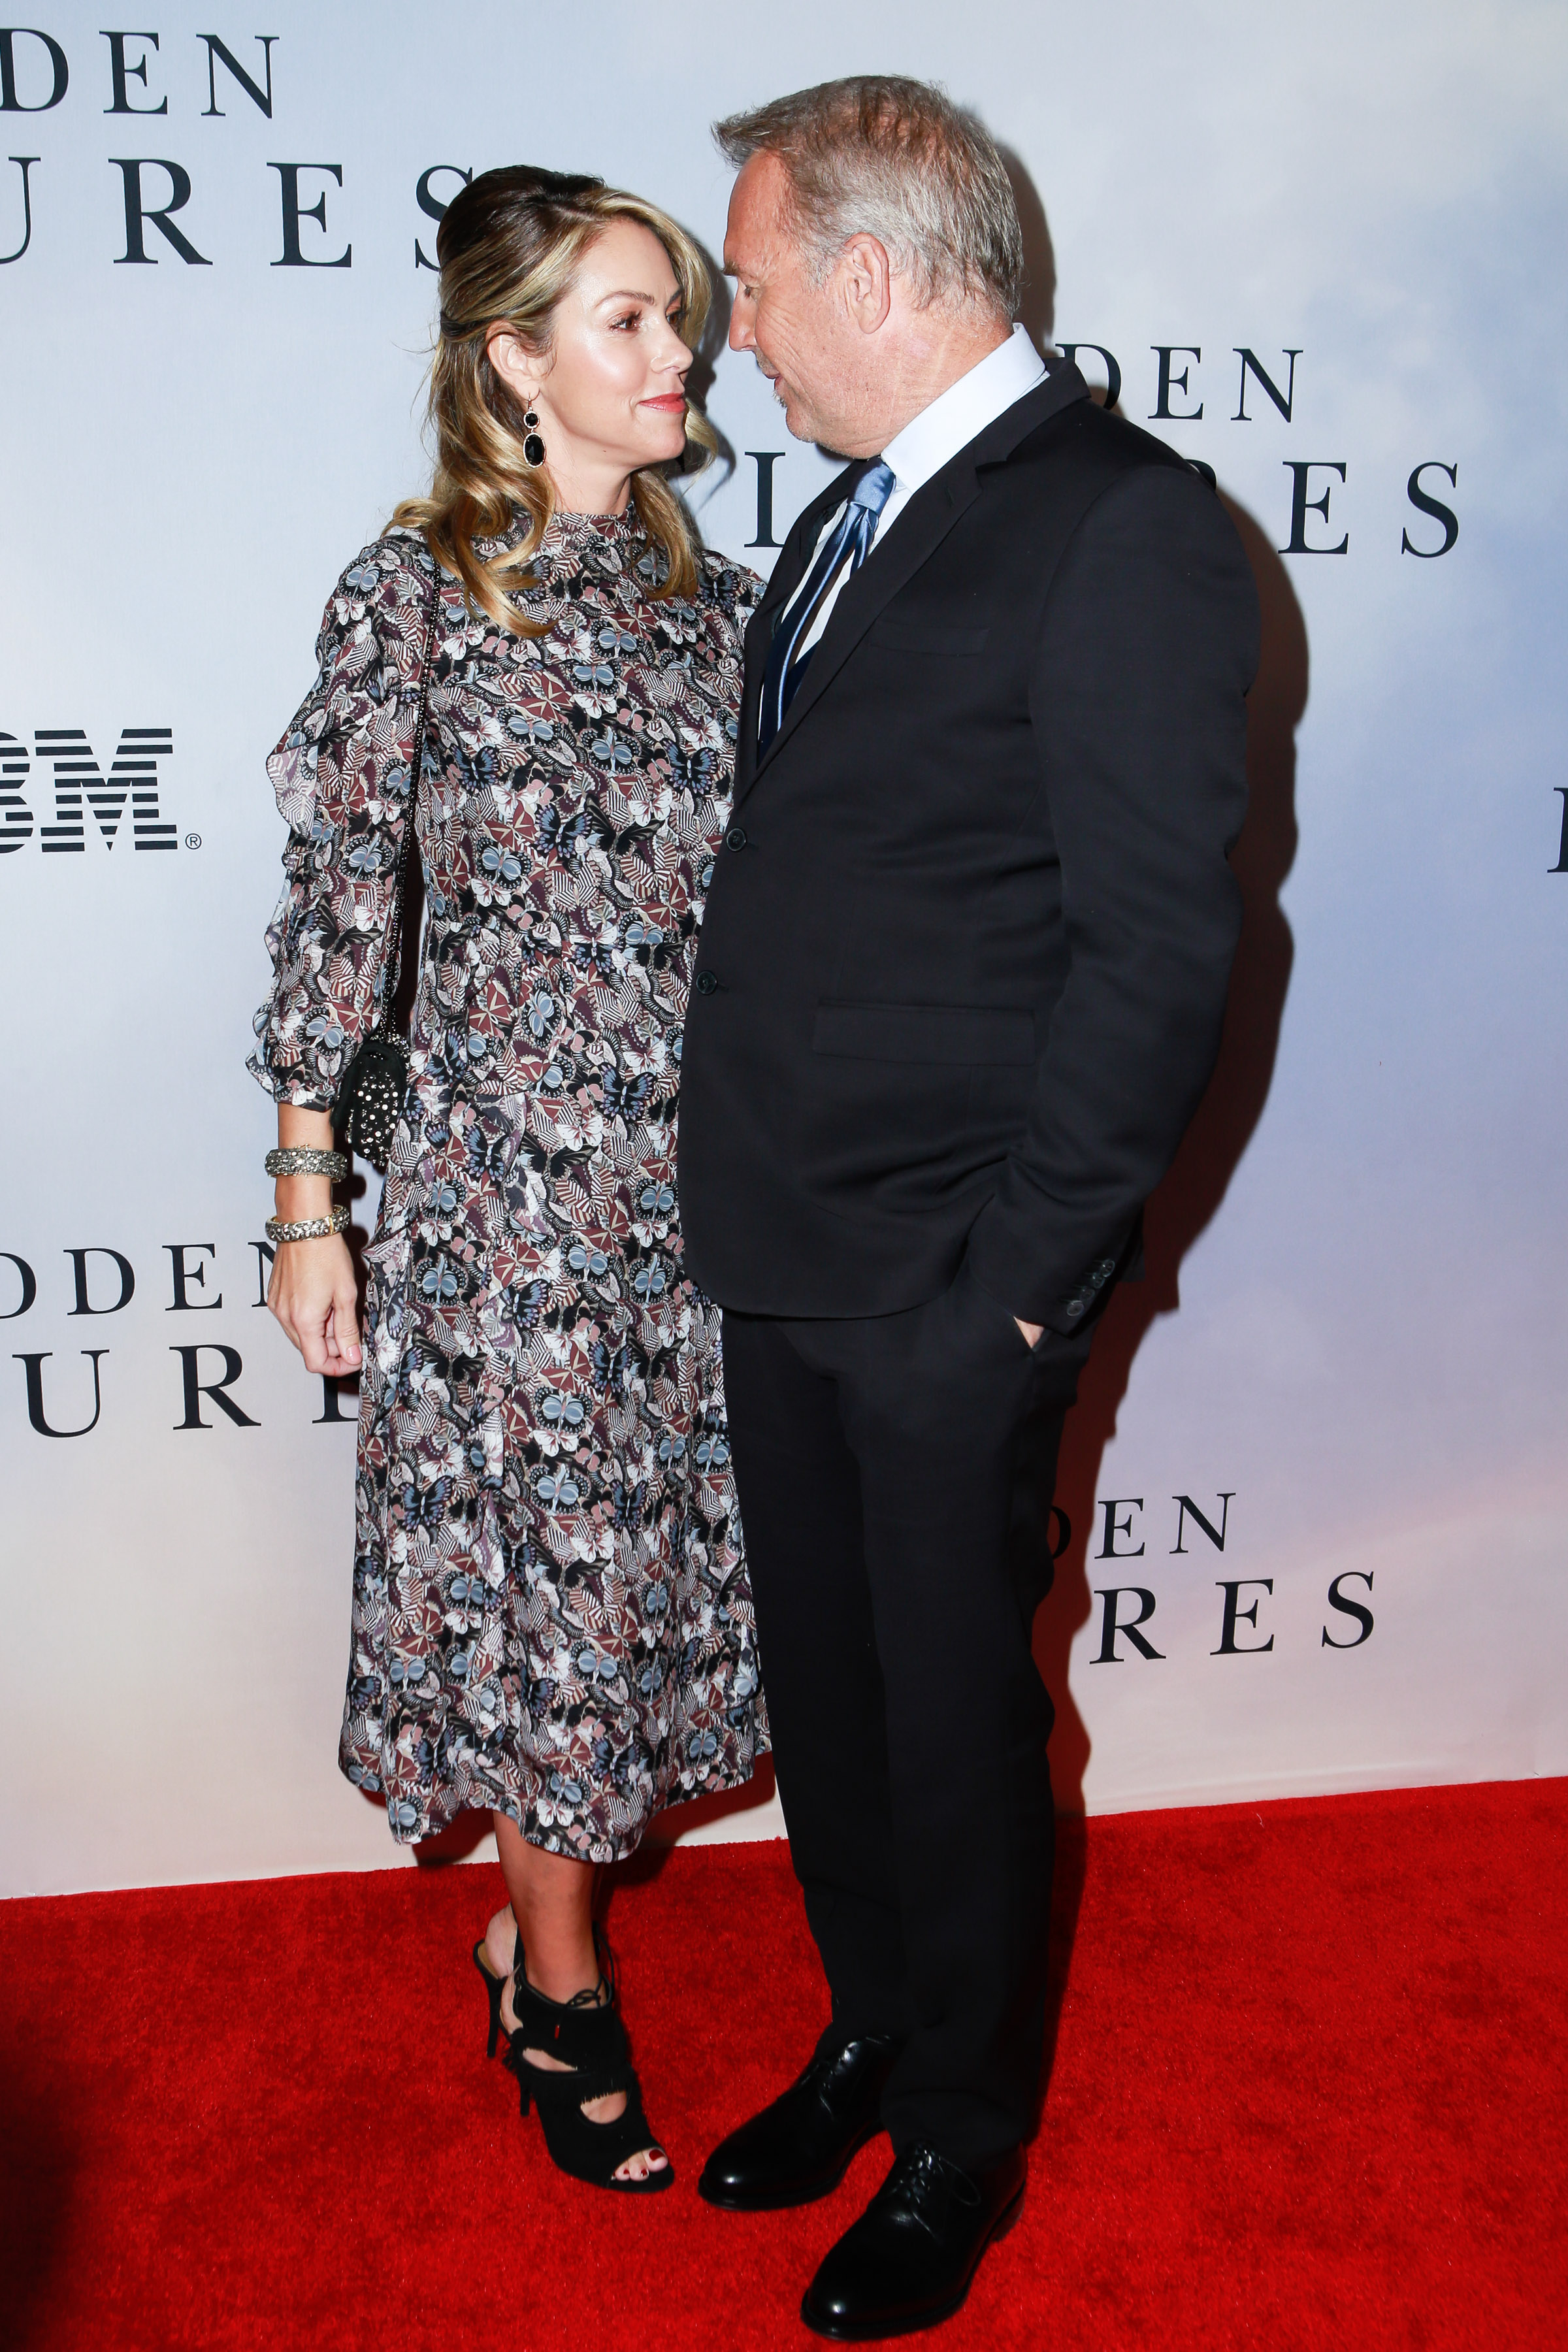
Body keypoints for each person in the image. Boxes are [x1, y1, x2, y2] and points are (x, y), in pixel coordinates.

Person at [679, 77, 1260, 2336]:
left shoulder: (1119, 524)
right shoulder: (852, 523)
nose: (736, 334)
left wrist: (1018, 1294)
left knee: (949, 1717)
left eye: (748, 282)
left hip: (947, 1282)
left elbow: (1162, 950)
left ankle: (961, 2146)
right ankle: (869, 2031)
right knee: (829, 1701)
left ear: (876, 274)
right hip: (783, 1245)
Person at [250, 165, 767, 2194]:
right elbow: (331, 922)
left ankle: (534, 1930)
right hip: (510, 1209)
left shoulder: (720, 610)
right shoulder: (417, 598)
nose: (678, 356)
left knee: (645, 1596)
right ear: (514, 360)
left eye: (682, 318)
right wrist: (311, 1198)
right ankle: (554, 1981)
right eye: (630, 321)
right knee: (552, 1607)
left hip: (705, 1198)